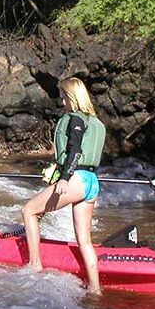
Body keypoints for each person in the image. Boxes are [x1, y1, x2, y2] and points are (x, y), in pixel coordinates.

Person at [20, 77, 106, 295]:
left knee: (29, 210)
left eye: (63, 98)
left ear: (71, 97)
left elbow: (75, 151)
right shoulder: (97, 123)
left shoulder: (75, 119)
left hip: (75, 179)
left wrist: (64, 177)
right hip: (92, 182)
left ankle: (35, 264)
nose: (62, 103)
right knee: (84, 240)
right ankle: (95, 289)